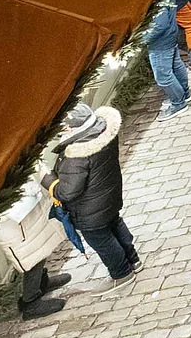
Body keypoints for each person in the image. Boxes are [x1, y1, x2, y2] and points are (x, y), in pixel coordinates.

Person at [49, 105, 135, 281]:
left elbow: (67, 192)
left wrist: (47, 179)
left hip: (89, 212)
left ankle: (122, 274)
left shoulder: (76, 155)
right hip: (108, 199)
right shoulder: (103, 133)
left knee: (102, 240)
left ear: (71, 128)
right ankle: (133, 260)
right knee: (115, 224)